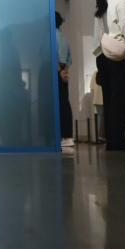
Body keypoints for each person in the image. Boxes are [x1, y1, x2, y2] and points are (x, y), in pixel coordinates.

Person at [92, 0, 125, 152]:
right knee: (121, 100)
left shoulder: (100, 7)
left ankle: (112, 139)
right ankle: (118, 139)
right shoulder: (122, 3)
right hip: (118, 57)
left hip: (102, 57)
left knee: (109, 100)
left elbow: (97, 37)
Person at [56, 12, 74, 148]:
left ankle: (64, 136)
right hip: (63, 70)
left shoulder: (52, 37)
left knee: (59, 104)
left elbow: (56, 57)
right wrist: (64, 70)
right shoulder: (63, 37)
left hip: (56, 71)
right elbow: (69, 59)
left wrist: (59, 70)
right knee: (64, 102)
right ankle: (67, 136)